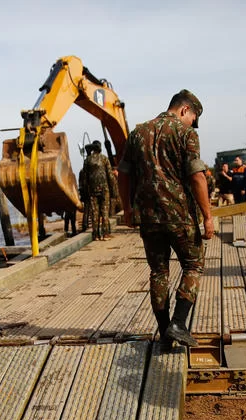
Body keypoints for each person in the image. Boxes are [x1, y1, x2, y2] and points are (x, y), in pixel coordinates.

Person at [118, 90, 214, 349]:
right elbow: (197, 176)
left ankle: (164, 334)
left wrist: (127, 209)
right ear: (185, 110)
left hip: (149, 218)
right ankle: (179, 324)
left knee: (159, 272)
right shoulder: (186, 134)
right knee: (193, 265)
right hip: (180, 216)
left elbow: (123, 174)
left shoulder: (138, 133)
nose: (192, 124)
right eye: (192, 118)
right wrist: (207, 216)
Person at [81, 141, 116, 240]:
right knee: (104, 211)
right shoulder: (104, 159)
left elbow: (84, 178)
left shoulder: (87, 160)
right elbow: (110, 176)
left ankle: (95, 235)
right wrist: (114, 191)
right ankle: (105, 234)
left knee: (94, 213)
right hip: (104, 189)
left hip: (92, 190)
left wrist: (84, 192)